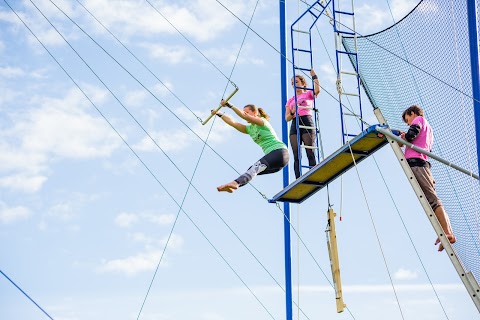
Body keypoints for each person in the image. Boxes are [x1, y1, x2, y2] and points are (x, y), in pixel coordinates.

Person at [399, 105, 456, 252]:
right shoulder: (429, 129)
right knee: (433, 200)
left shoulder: (418, 120)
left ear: (413, 113)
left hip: (417, 164)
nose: (408, 123)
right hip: (423, 164)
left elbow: (413, 133)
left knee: (433, 200)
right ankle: (448, 231)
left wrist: (405, 136)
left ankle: (447, 232)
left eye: (407, 119)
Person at [212, 100, 289, 193]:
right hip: (276, 164)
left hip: (279, 153)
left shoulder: (262, 122)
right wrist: (219, 114)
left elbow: (243, 115)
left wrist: (229, 105)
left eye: (247, 112)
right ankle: (234, 185)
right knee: (252, 170)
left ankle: (234, 183)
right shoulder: (249, 129)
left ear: (255, 113)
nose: (245, 114)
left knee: (254, 168)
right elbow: (233, 123)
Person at [285, 69, 321, 179]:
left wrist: (314, 76)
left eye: (296, 82)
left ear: (302, 83)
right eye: (292, 83)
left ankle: (314, 174)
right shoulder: (290, 100)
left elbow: (317, 90)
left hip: (306, 121)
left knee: (310, 151)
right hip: (295, 123)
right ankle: (298, 178)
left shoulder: (308, 94)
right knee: (296, 155)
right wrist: (293, 111)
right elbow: (287, 118)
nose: (294, 84)